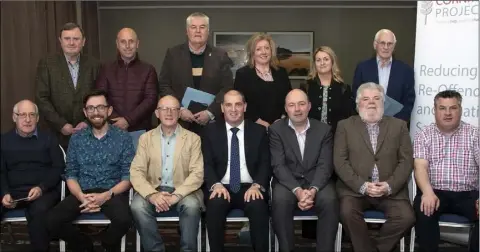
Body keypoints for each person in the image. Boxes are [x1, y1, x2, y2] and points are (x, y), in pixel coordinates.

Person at [46, 90, 134, 252]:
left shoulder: (123, 137)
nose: (96, 112)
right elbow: (71, 173)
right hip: (82, 192)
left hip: (111, 192)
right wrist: (81, 197)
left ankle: (106, 243)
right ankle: (84, 245)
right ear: (85, 112)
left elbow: (128, 177)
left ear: (109, 110)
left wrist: (105, 196)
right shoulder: (77, 138)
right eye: (91, 108)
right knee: (51, 221)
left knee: (125, 220)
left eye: (100, 107)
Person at [334, 82, 415, 252]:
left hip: (390, 192)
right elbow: (340, 162)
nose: (371, 102)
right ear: (358, 104)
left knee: (406, 217)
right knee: (347, 213)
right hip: (354, 190)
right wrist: (362, 186)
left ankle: (376, 249)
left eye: (376, 98)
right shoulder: (345, 126)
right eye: (366, 98)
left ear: (384, 102)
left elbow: (406, 161)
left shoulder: (399, 126)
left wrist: (389, 185)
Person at [130, 95, 204, 252]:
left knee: (192, 205)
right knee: (137, 206)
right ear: (157, 113)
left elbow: (197, 174)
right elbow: (136, 172)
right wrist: (152, 195)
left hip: (183, 191)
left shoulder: (193, 139)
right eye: (164, 109)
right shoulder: (145, 139)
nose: (169, 113)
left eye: (174, 109)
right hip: (153, 189)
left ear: (179, 113)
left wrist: (176, 196)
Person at [270, 89, 338, 252]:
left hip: (317, 181)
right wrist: (298, 191)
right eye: (292, 105)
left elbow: (325, 165)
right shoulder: (276, 129)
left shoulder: (324, 130)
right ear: (286, 109)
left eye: (301, 104)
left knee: (330, 200)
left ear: (309, 106)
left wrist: (313, 190)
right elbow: (278, 165)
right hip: (288, 182)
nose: (297, 109)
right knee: (279, 201)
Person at [202, 90, 271, 251]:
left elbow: (265, 163)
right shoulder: (210, 131)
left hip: (250, 186)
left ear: (245, 107)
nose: (233, 109)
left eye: (238, 105)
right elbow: (206, 164)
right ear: (222, 108)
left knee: (258, 207)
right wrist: (215, 184)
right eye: (229, 105)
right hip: (221, 186)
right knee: (214, 206)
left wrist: (257, 185)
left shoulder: (259, 131)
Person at [413, 90, 479, 252]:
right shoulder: (424, 135)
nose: (448, 113)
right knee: (424, 211)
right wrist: (427, 192)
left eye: (453, 108)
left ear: (461, 109)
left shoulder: (474, 135)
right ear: (434, 111)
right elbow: (420, 167)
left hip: (468, 194)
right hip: (434, 192)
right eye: (442, 108)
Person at [1, 100, 64, 252]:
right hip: (12, 191)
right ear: (14, 117)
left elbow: (58, 168)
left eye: (32, 115)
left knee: (39, 211)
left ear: (37, 118)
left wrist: (42, 188)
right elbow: (0, 171)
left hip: (44, 191)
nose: (27, 119)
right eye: (22, 115)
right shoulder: (3, 141)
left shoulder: (49, 139)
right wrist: (4, 193)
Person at [158, 12, 233, 134]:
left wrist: (210, 112)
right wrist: (179, 109)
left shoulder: (220, 55)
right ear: (187, 31)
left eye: (202, 27)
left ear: (208, 31)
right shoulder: (173, 54)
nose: (198, 31)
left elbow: (227, 88)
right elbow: (164, 85)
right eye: (193, 27)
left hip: (211, 125)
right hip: (179, 124)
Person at [35, 22, 101, 149]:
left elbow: (100, 97)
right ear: (60, 41)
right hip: (55, 134)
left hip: (88, 133)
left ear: (83, 42)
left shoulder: (94, 65)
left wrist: (88, 121)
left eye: (76, 39)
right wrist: (61, 124)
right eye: (67, 39)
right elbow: (41, 98)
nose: (71, 43)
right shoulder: (47, 64)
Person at [96, 27, 158, 149]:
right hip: (112, 129)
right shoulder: (106, 68)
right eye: (123, 42)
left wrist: (128, 120)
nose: (128, 45)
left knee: (139, 167)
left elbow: (151, 100)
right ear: (117, 44)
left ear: (138, 43)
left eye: (131, 41)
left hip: (140, 132)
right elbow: (100, 97)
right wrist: (115, 120)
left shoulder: (148, 69)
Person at [352, 29, 415, 123]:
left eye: (390, 44)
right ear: (375, 45)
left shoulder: (405, 70)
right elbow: (356, 96)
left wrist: (397, 123)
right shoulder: (363, 68)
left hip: (395, 125)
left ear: (394, 46)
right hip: (366, 123)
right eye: (382, 43)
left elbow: (409, 100)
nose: (386, 47)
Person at [234, 32, 292, 128]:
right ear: (252, 53)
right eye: (258, 49)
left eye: (267, 48)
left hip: (280, 127)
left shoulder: (281, 73)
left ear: (271, 51)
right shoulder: (243, 74)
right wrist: (259, 121)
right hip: (253, 126)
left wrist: (282, 118)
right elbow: (239, 102)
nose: (264, 52)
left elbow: (289, 98)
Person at [302, 46, 354, 135]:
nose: (322, 63)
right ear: (314, 64)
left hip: (337, 137)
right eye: (318, 60)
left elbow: (348, 118)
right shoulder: (306, 87)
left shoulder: (344, 88)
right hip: (310, 137)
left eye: (326, 59)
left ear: (332, 62)